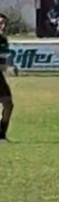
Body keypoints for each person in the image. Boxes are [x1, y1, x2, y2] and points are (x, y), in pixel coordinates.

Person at [0, 13, 16, 142]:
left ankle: (1, 135)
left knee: (8, 104)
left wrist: (11, 66)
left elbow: (4, 58)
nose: (3, 26)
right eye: (0, 23)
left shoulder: (3, 40)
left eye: (4, 23)